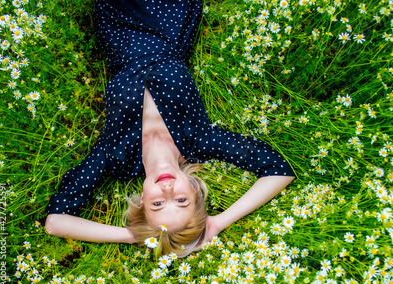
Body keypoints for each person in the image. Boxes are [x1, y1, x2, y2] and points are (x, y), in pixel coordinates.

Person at [44, 0, 295, 257]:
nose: (168, 191)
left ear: (142, 200)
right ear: (195, 191)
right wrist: (219, 221)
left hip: (118, 20)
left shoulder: (115, 156)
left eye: (157, 204)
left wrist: (137, 236)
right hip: (170, 19)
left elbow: (55, 221)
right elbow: (279, 170)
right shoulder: (200, 140)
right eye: (181, 201)